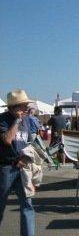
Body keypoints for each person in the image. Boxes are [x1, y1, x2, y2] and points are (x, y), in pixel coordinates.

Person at [0, 89, 36, 236]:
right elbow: (7, 140)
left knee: (27, 205)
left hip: (22, 167)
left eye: (26, 105)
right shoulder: (3, 119)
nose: (26, 108)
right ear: (12, 108)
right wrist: (16, 121)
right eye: (22, 106)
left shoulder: (28, 120)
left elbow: (30, 142)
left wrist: (25, 158)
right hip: (5, 168)